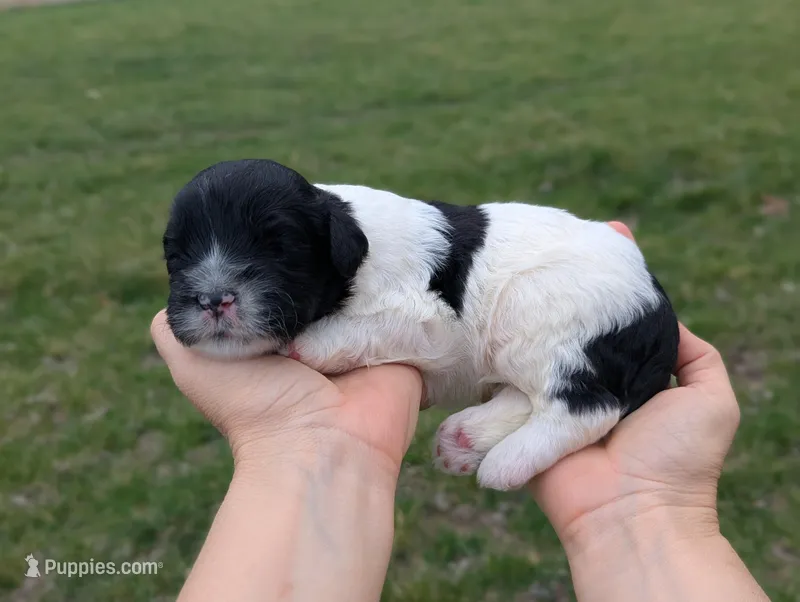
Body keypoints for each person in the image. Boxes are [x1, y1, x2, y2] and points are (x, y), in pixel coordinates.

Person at [150, 222, 771, 602]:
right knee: (512, 341)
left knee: (528, 322)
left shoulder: (390, 255)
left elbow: (421, 325)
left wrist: (319, 348)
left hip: (585, 292)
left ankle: (575, 410)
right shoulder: (364, 240)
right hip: (571, 301)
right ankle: (531, 402)